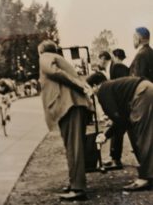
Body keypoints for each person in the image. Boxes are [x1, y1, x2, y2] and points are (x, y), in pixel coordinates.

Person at [38, 40, 93, 201]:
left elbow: (54, 71)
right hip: (74, 106)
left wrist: (79, 85)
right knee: (74, 146)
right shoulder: (59, 58)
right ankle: (75, 183)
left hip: (70, 106)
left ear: (41, 51)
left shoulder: (45, 57)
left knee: (73, 147)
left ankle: (78, 188)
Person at [87, 72, 153, 191]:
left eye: (90, 88)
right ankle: (148, 173)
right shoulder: (112, 86)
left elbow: (118, 118)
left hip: (142, 93)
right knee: (148, 133)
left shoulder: (103, 91)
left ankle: (146, 178)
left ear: (95, 86)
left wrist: (105, 135)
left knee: (143, 136)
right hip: (147, 88)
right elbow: (122, 118)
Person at [98, 50, 129, 169]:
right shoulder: (111, 68)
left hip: (124, 105)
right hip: (120, 106)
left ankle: (116, 159)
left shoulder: (117, 67)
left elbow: (122, 86)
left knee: (119, 129)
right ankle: (115, 158)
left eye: (99, 59)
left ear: (103, 58)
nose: (98, 62)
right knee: (118, 130)